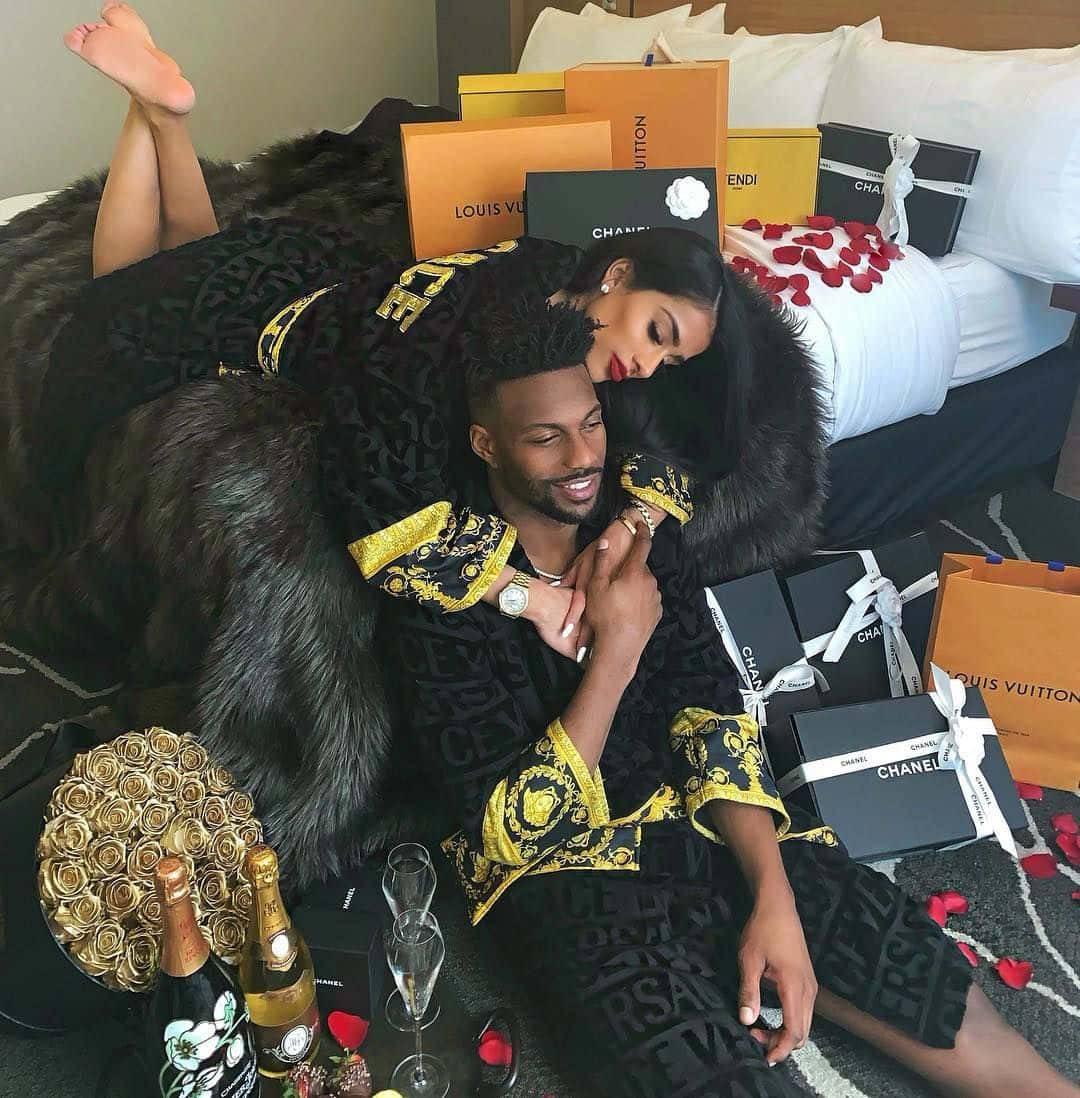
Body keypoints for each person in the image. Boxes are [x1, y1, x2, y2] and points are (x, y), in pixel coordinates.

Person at [381, 297, 1080, 1098]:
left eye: (592, 425)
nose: (582, 457)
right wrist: (618, 649)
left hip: (693, 821)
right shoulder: (440, 597)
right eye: (546, 437)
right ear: (487, 443)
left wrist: (772, 894)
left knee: (914, 978)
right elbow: (513, 831)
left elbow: (710, 712)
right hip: (562, 880)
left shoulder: (638, 533)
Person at [33, 6, 790, 663]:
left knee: (189, 256)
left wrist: (638, 515)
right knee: (118, 290)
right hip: (275, 316)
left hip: (323, 268)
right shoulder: (495, 344)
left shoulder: (555, 261)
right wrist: (527, 597)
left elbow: (670, 446)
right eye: (657, 331)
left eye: (669, 357)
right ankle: (153, 112)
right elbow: (378, 489)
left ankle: (160, 113)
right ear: (619, 274)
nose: (647, 363)